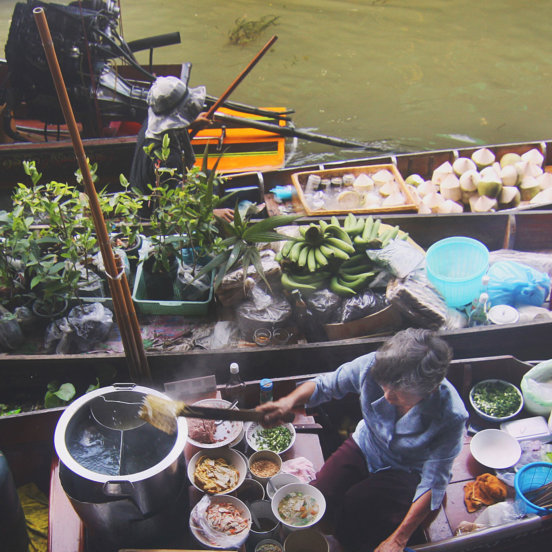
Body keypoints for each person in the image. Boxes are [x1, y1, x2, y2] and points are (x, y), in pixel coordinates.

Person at [256, 328, 468, 552]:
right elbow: (325, 385)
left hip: (406, 469)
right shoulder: (374, 365)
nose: (386, 396)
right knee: (318, 495)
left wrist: (398, 539)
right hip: (367, 443)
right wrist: (287, 402)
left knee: (357, 509)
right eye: (385, 385)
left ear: (430, 390)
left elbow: (434, 482)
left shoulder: (451, 415)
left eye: (399, 392)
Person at [129, 75, 234, 222]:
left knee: (209, 176)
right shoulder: (169, 159)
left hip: (141, 193)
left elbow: (166, 125)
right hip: (151, 213)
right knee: (211, 187)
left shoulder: (149, 123)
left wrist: (191, 123)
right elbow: (169, 210)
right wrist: (212, 214)